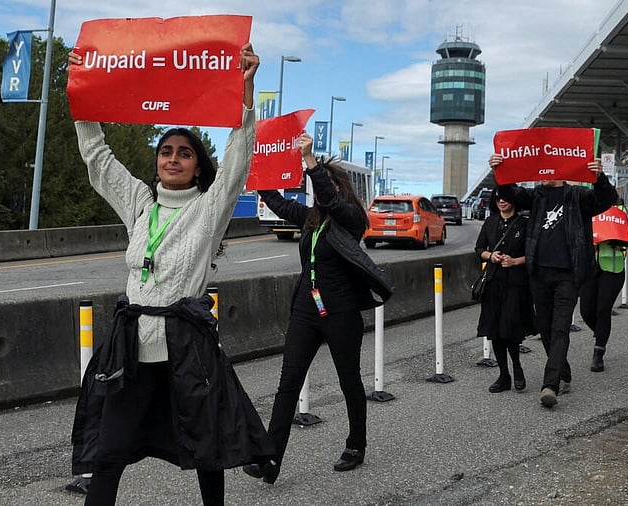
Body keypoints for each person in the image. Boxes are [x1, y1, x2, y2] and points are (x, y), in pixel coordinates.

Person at [68, 44, 275, 506]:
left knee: (208, 449)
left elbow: (238, 159)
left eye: (184, 153)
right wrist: (80, 93)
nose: (173, 158)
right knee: (108, 453)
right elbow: (99, 161)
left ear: (197, 165)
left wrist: (246, 88)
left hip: (187, 351)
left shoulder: (207, 210)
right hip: (133, 349)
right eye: (166, 151)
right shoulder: (142, 204)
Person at [243, 133, 393, 484]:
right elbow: (278, 205)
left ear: (337, 188)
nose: (319, 195)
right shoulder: (311, 218)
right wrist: (260, 175)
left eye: (325, 187)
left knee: (349, 381)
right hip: (306, 313)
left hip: (341, 314)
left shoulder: (351, 218)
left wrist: (311, 162)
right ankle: (270, 460)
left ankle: (356, 446)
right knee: (287, 385)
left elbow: (330, 198)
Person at [490, 153, 617, 409]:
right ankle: (563, 371)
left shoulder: (578, 196)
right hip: (539, 274)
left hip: (568, 275)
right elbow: (510, 193)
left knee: (560, 327)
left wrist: (599, 177)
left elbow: (606, 200)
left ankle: (550, 386)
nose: (545, 173)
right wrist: (500, 171)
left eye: (552, 169)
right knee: (545, 328)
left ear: (563, 171)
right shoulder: (535, 197)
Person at [473, 189, 535, 393]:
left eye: (506, 197)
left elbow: (535, 253)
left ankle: (517, 368)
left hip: (516, 284)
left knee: (510, 328)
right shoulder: (490, 222)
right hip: (493, 282)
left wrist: (515, 261)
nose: (501, 201)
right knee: (495, 330)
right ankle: (503, 374)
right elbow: (479, 248)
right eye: (498, 198)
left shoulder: (525, 223)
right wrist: (490, 256)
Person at [579, 199, 628, 373]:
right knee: (585, 311)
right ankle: (601, 332)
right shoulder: (584, 207)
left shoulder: (620, 210)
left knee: (603, 309)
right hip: (588, 266)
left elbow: (627, 236)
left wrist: (613, 235)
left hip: (613, 267)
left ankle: (599, 351)